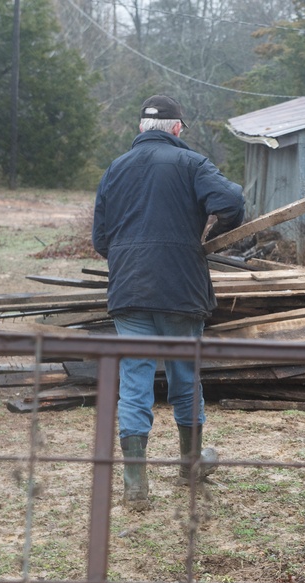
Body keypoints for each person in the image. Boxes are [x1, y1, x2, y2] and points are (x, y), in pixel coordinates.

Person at [93, 94, 246, 509]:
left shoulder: (114, 169)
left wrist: (132, 259)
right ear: (178, 129)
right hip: (180, 290)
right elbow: (232, 202)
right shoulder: (192, 164)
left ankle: (135, 486)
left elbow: (100, 240)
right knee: (184, 378)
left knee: (135, 383)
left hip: (129, 291)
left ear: (140, 129)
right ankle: (189, 465)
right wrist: (214, 232)